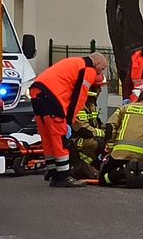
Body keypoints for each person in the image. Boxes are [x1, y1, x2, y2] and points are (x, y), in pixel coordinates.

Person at [29, 52, 109, 188]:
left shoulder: (75, 63)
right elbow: (80, 97)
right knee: (60, 138)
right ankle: (62, 177)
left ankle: (52, 171)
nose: (100, 72)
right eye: (102, 69)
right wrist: (69, 121)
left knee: (48, 136)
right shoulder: (88, 69)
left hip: (37, 92)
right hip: (52, 98)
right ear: (97, 63)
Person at [98, 76, 143, 187]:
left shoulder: (125, 108)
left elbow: (110, 126)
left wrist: (110, 147)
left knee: (103, 178)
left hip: (120, 152)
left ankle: (120, 172)